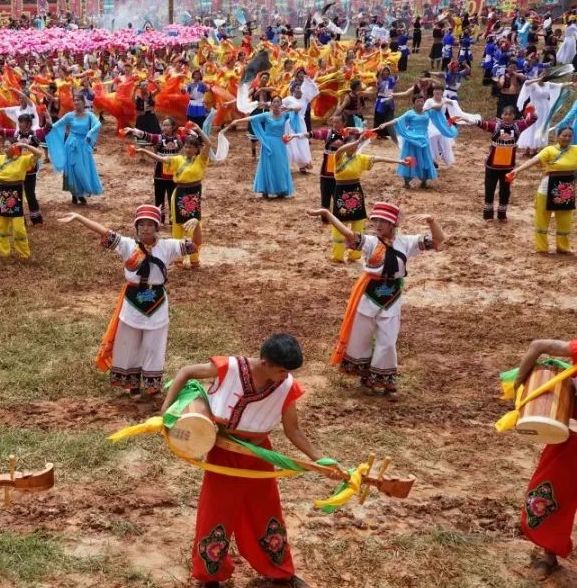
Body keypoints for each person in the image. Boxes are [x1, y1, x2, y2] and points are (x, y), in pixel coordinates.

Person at [161, 333, 337, 588]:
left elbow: (294, 430)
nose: (285, 376)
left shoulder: (287, 386)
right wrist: (165, 411)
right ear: (264, 362)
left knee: (266, 510)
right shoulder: (230, 368)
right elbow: (186, 372)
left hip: (259, 455)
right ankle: (210, 576)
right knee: (217, 511)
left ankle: (280, 571)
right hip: (224, 451)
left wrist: (319, 459)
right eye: (281, 370)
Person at [59, 205, 200, 396]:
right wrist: (78, 217)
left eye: (150, 224)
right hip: (132, 301)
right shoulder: (128, 245)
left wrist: (197, 226)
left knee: (154, 345)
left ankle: (152, 386)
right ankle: (133, 384)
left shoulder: (168, 247)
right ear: (136, 227)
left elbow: (195, 245)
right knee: (129, 344)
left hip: (157, 302)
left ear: (157, 227)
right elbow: (103, 231)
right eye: (141, 224)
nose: (145, 228)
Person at [311, 202, 444, 399]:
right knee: (360, 336)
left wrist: (431, 221)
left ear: (393, 224)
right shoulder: (372, 242)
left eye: (383, 221)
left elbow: (438, 240)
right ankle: (366, 376)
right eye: (376, 221)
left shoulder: (406, 242)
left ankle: (386, 378)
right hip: (368, 293)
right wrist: (327, 214)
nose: (378, 225)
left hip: (392, 295)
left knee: (388, 340)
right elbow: (349, 235)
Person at [512, 338, 577, 579]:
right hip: (573, 441)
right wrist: (519, 387)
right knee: (549, 494)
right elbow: (538, 345)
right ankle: (549, 554)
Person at [136, 122, 216, 268]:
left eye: (191, 147)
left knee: (194, 225)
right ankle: (178, 258)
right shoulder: (178, 159)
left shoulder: (201, 160)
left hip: (194, 195)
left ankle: (194, 259)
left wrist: (198, 130)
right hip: (178, 194)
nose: (188, 149)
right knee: (177, 226)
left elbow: (209, 144)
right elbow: (161, 159)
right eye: (186, 146)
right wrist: (144, 152)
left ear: (197, 149)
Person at [508, 126, 577, 254]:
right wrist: (517, 170)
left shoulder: (575, 150)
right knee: (542, 218)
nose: (567, 138)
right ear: (557, 137)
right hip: (547, 188)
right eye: (564, 135)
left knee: (565, 220)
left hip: (567, 189)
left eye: (569, 136)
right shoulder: (549, 150)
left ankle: (563, 248)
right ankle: (542, 248)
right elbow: (534, 160)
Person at [464, 105, 536, 220]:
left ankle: (502, 214)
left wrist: (531, 111)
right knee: (489, 189)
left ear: (514, 116)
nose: (507, 116)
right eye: (505, 114)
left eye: (510, 114)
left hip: (508, 167)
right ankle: (488, 215)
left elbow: (532, 119)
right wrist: (468, 119)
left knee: (505, 191)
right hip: (492, 165)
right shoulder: (496, 126)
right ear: (501, 115)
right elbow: (482, 123)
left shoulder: (518, 126)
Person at [228, 98, 296, 199]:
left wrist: (289, 108)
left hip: (280, 144)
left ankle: (281, 189)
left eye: (278, 102)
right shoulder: (266, 115)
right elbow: (252, 118)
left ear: (281, 104)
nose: (276, 104)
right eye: (274, 102)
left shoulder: (285, 115)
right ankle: (266, 189)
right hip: (268, 143)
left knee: (280, 166)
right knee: (267, 166)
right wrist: (237, 120)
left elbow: (299, 108)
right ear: (271, 104)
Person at [47, 91, 103, 205]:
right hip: (71, 145)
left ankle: (81, 193)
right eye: (75, 100)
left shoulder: (89, 115)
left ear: (83, 102)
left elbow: (98, 124)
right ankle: (74, 193)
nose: (76, 102)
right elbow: (56, 125)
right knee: (72, 170)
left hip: (84, 146)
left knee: (82, 170)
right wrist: (46, 126)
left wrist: (90, 132)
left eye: (79, 100)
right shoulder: (69, 116)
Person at [125, 118, 183, 223]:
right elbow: (146, 135)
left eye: (167, 125)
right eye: (163, 125)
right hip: (160, 173)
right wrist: (133, 130)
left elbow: (194, 141)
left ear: (173, 127)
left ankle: (172, 218)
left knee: (173, 198)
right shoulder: (159, 138)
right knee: (159, 198)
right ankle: (160, 218)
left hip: (174, 174)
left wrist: (192, 130)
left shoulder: (179, 139)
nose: (164, 127)